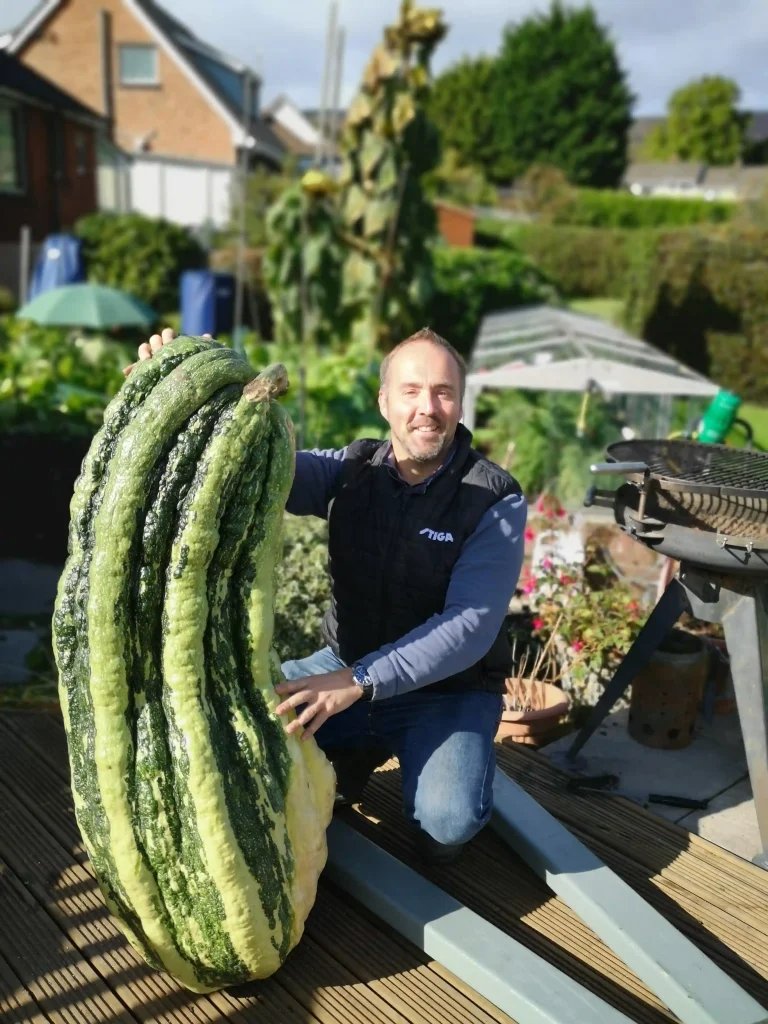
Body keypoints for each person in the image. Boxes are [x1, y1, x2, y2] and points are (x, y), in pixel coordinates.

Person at [127, 326, 527, 863]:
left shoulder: (493, 497)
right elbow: (242, 456)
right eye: (411, 391)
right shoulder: (350, 471)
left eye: (443, 392)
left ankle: (410, 761)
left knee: (447, 821)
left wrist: (359, 681)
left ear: (459, 401)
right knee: (235, 727)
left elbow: (469, 628)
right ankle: (353, 754)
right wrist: (176, 385)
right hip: (344, 662)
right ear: (385, 401)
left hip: (445, 690)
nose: (427, 408)